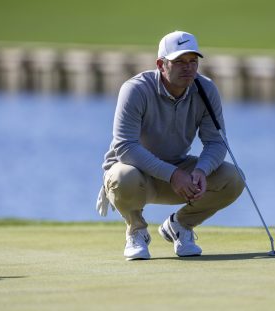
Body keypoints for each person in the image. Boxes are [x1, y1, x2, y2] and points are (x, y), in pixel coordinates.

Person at [96, 30, 244, 260]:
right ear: (160, 64)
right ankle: (136, 231)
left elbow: (215, 142)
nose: (188, 67)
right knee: (122, 176)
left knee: (233, 178)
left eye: (193, 61)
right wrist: (173, 174)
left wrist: (200, 171)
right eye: (179, 62)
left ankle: (181, 226)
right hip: (136, 175)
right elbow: (125, 147)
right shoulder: (135, 89)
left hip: (179, 172)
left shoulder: (206, 90)